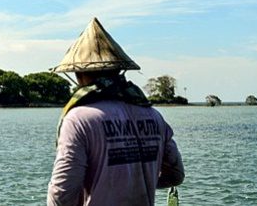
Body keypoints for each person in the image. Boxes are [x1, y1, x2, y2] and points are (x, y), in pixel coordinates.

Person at [47, 18, 184, 206]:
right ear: (120, 71)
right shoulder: (154, 116)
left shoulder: (79, 119)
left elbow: (61, 195)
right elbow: (175, 175)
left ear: (79, 74)